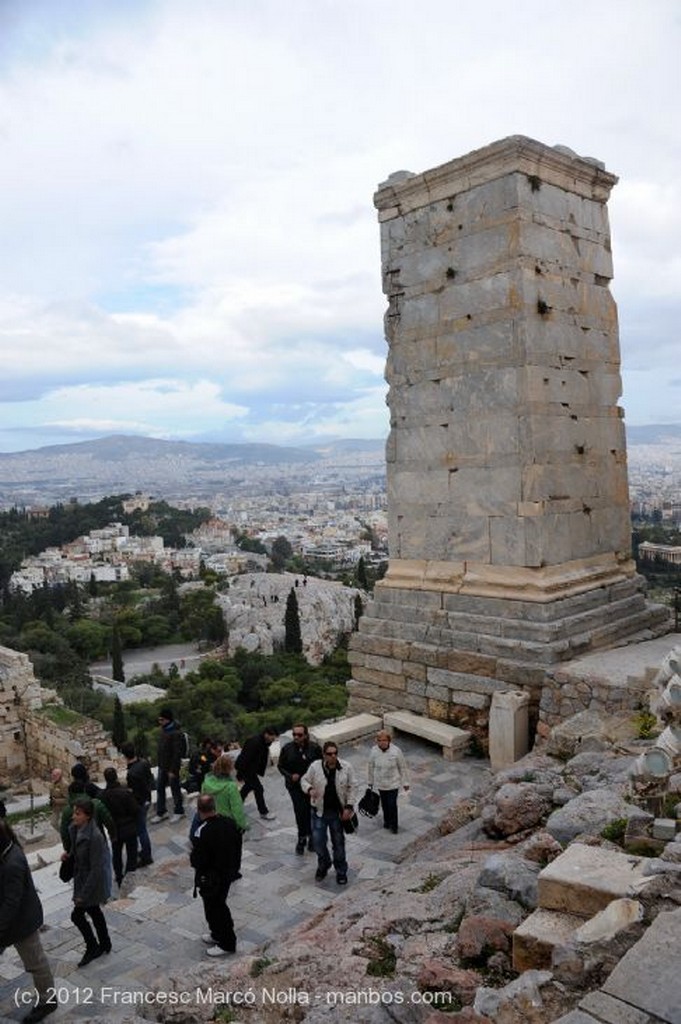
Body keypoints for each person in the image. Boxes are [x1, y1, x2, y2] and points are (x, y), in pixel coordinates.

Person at [0, 819, 57, 1023]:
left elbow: (11, 903)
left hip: (21, 924)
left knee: (36, 963)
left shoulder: (12, 862)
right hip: (10, 923)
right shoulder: (7, 853)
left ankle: (48, 1001)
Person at [63, 797, 112, 967]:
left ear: (88, 816)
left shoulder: (95, 837)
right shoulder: (76, 829)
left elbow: (96, 869)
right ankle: (105, 943)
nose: (73, 817)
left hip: (89, 884)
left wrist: (82, 896)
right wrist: (68, 855)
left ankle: (92, 946)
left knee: (77, 916)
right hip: (81, 878)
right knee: (95, 912)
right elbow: (76, 850)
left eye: (78, 814)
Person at [300, 740, 357, 886]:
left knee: (338, 843)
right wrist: (309, 789)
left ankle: (341, 871)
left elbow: (353, 787)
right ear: (324, 755)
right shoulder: (315, 767)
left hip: (337, 813)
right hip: (319, 811)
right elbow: (304, 780)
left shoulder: (346, 767)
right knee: (318, 843)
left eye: (335, 753)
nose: (333, 756)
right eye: (329, 754)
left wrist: (349, 807)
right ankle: (324, 864)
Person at [190, 794, 240, 957]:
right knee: (217, 905)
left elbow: (198, 859)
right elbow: (238, 846)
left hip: (212, 878)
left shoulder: (202, 831)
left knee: (216, 908)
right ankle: (216, 934)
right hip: (227, 872)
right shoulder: (230, 823)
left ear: (199, 811)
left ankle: (227, 942)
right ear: (214, 807)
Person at [278, 724, 322, 854]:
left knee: (313, 811)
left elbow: (321, 765)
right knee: (300, 812)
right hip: (295, 786)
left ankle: (313, 837)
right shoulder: (287, 749)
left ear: (306, 735)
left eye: (299, 735)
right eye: (294, 734)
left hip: (311, 786)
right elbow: (281, 766)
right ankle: (302, 837)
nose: (296, 737)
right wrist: (290, 776)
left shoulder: (314, 748)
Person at [100, 767, 139, 888]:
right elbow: (135, 809)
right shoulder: (125, 792)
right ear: (116, 776)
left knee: (116, 855)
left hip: (114, 829)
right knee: (132, 854)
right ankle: (129, 875)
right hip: (129, 827)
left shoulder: (103, 796)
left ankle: (119, 877)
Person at [367, 729, 410, 834]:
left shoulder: (396, 751)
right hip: (381, 784)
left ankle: (394, 826)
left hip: (393, 783)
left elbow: (403, 767)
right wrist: (370, 781)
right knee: (384, 804)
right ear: (377, 741)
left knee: (392, 805)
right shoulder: (373, 751)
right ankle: (387, 821)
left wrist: (405, 783)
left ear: (389, 740)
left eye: (384, 740)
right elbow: (370, 766)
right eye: (380, 740)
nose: (382, 742)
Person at [121, 741, 154, 867]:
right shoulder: (144, 763)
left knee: (141, 830)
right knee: (143, 828)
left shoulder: (132, 774)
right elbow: (150, 779)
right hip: (147, 798)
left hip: (140, 803)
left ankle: (147, 856)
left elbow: (134, 793)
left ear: (124, 756)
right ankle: (145, 852)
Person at [235, 727, 278, 820]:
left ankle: (235, 806)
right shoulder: (254, 742)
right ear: (266, 734)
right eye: (272, 737)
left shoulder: (263, 743)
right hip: (247, 770)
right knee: (259, 789)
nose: (273, 740)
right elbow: (244, 758)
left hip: (251, 770)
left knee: (247, 788)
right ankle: (263, 812)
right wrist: (240, 773)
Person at [151, 707, 185, 823]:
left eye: (161, 720)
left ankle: (179, 811)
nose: (159, 722)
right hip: (162, 766)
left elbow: (177, 753)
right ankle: (162, 812)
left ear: (167, 720)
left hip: (171, 768)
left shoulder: (176, 733)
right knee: (160, 789)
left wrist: (173, 770)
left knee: (175, 789)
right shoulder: (164, 730)